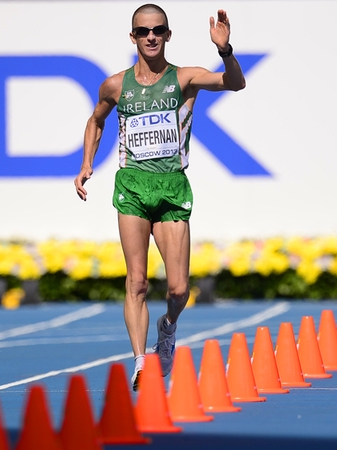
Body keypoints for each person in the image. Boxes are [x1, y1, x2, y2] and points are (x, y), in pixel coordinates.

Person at [73, 4, 246, 390]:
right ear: (132, 37)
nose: (150, 36)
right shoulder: (115, 85)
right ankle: (140, 362)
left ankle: (167, 329)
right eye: (142, 31)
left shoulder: (183, 79)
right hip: (132, 187)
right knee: (135, 281)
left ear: (168, 35)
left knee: (179, 289)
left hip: (171, 188)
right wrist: (87, 162)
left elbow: (234, 83)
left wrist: (225, 50)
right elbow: (96, 120)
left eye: (158, 30)